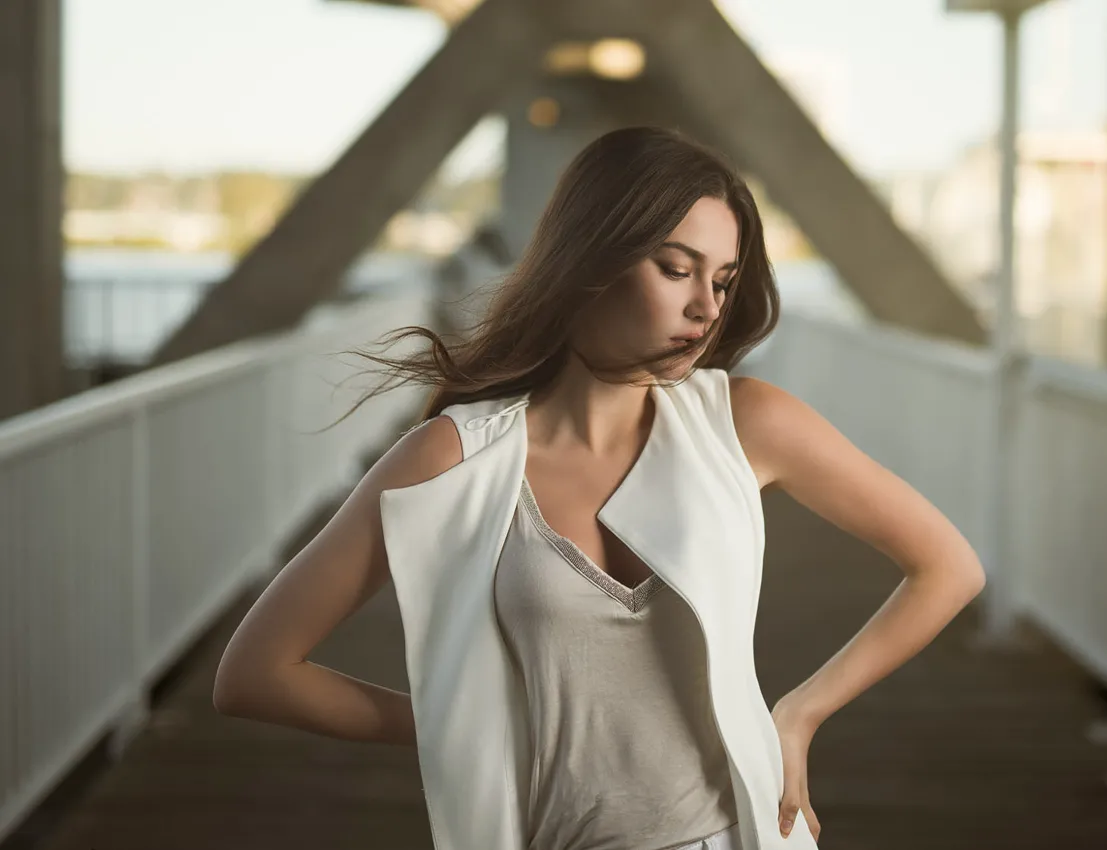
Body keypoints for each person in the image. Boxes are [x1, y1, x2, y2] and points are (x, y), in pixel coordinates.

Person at [212, 125, 987, 850]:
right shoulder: (456, 458)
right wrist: (459, 718)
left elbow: (949, 567)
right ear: (590, 261)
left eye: (722, 279)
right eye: (677, 269)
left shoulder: (747, 423)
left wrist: (800, 714)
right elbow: (256, 673)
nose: (706, 307)